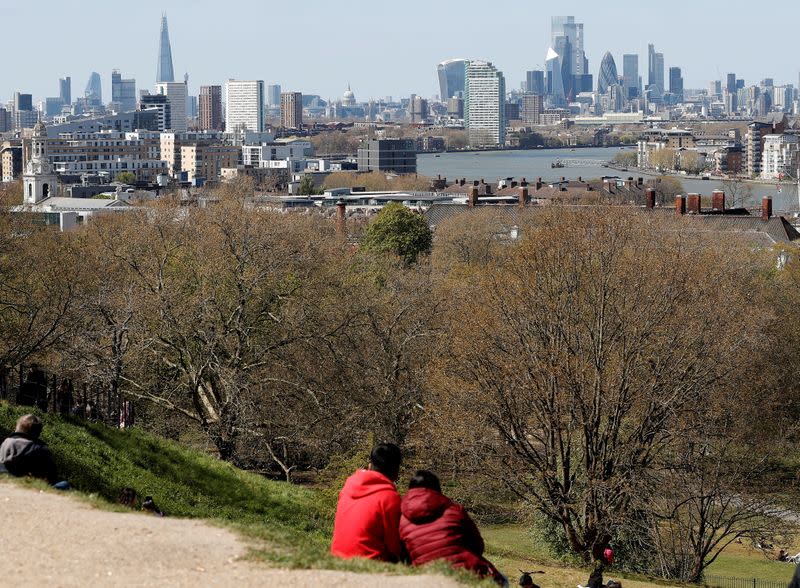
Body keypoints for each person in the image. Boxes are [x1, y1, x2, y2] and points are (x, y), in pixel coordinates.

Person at [399, 470, 506, 585]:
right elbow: (478, 546)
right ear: (437, 489)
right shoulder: (455, 509)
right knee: (503, 581)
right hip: (467, 574)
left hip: (428, 579)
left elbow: (405, 557)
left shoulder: (402, 521)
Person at [330, 443, 403, 562]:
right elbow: (395, 547)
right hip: (370, 562)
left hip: (337, 558)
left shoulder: (348, 486)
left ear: (370, 466)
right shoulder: (390, 498)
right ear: (396, 472)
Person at [0, 414, 59, 484]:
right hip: (28, 483)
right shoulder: (39, 449)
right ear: (38, 432)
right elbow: (52, 475)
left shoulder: (5, 442)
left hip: (5, 477)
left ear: (17, 428)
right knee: (65, 484)